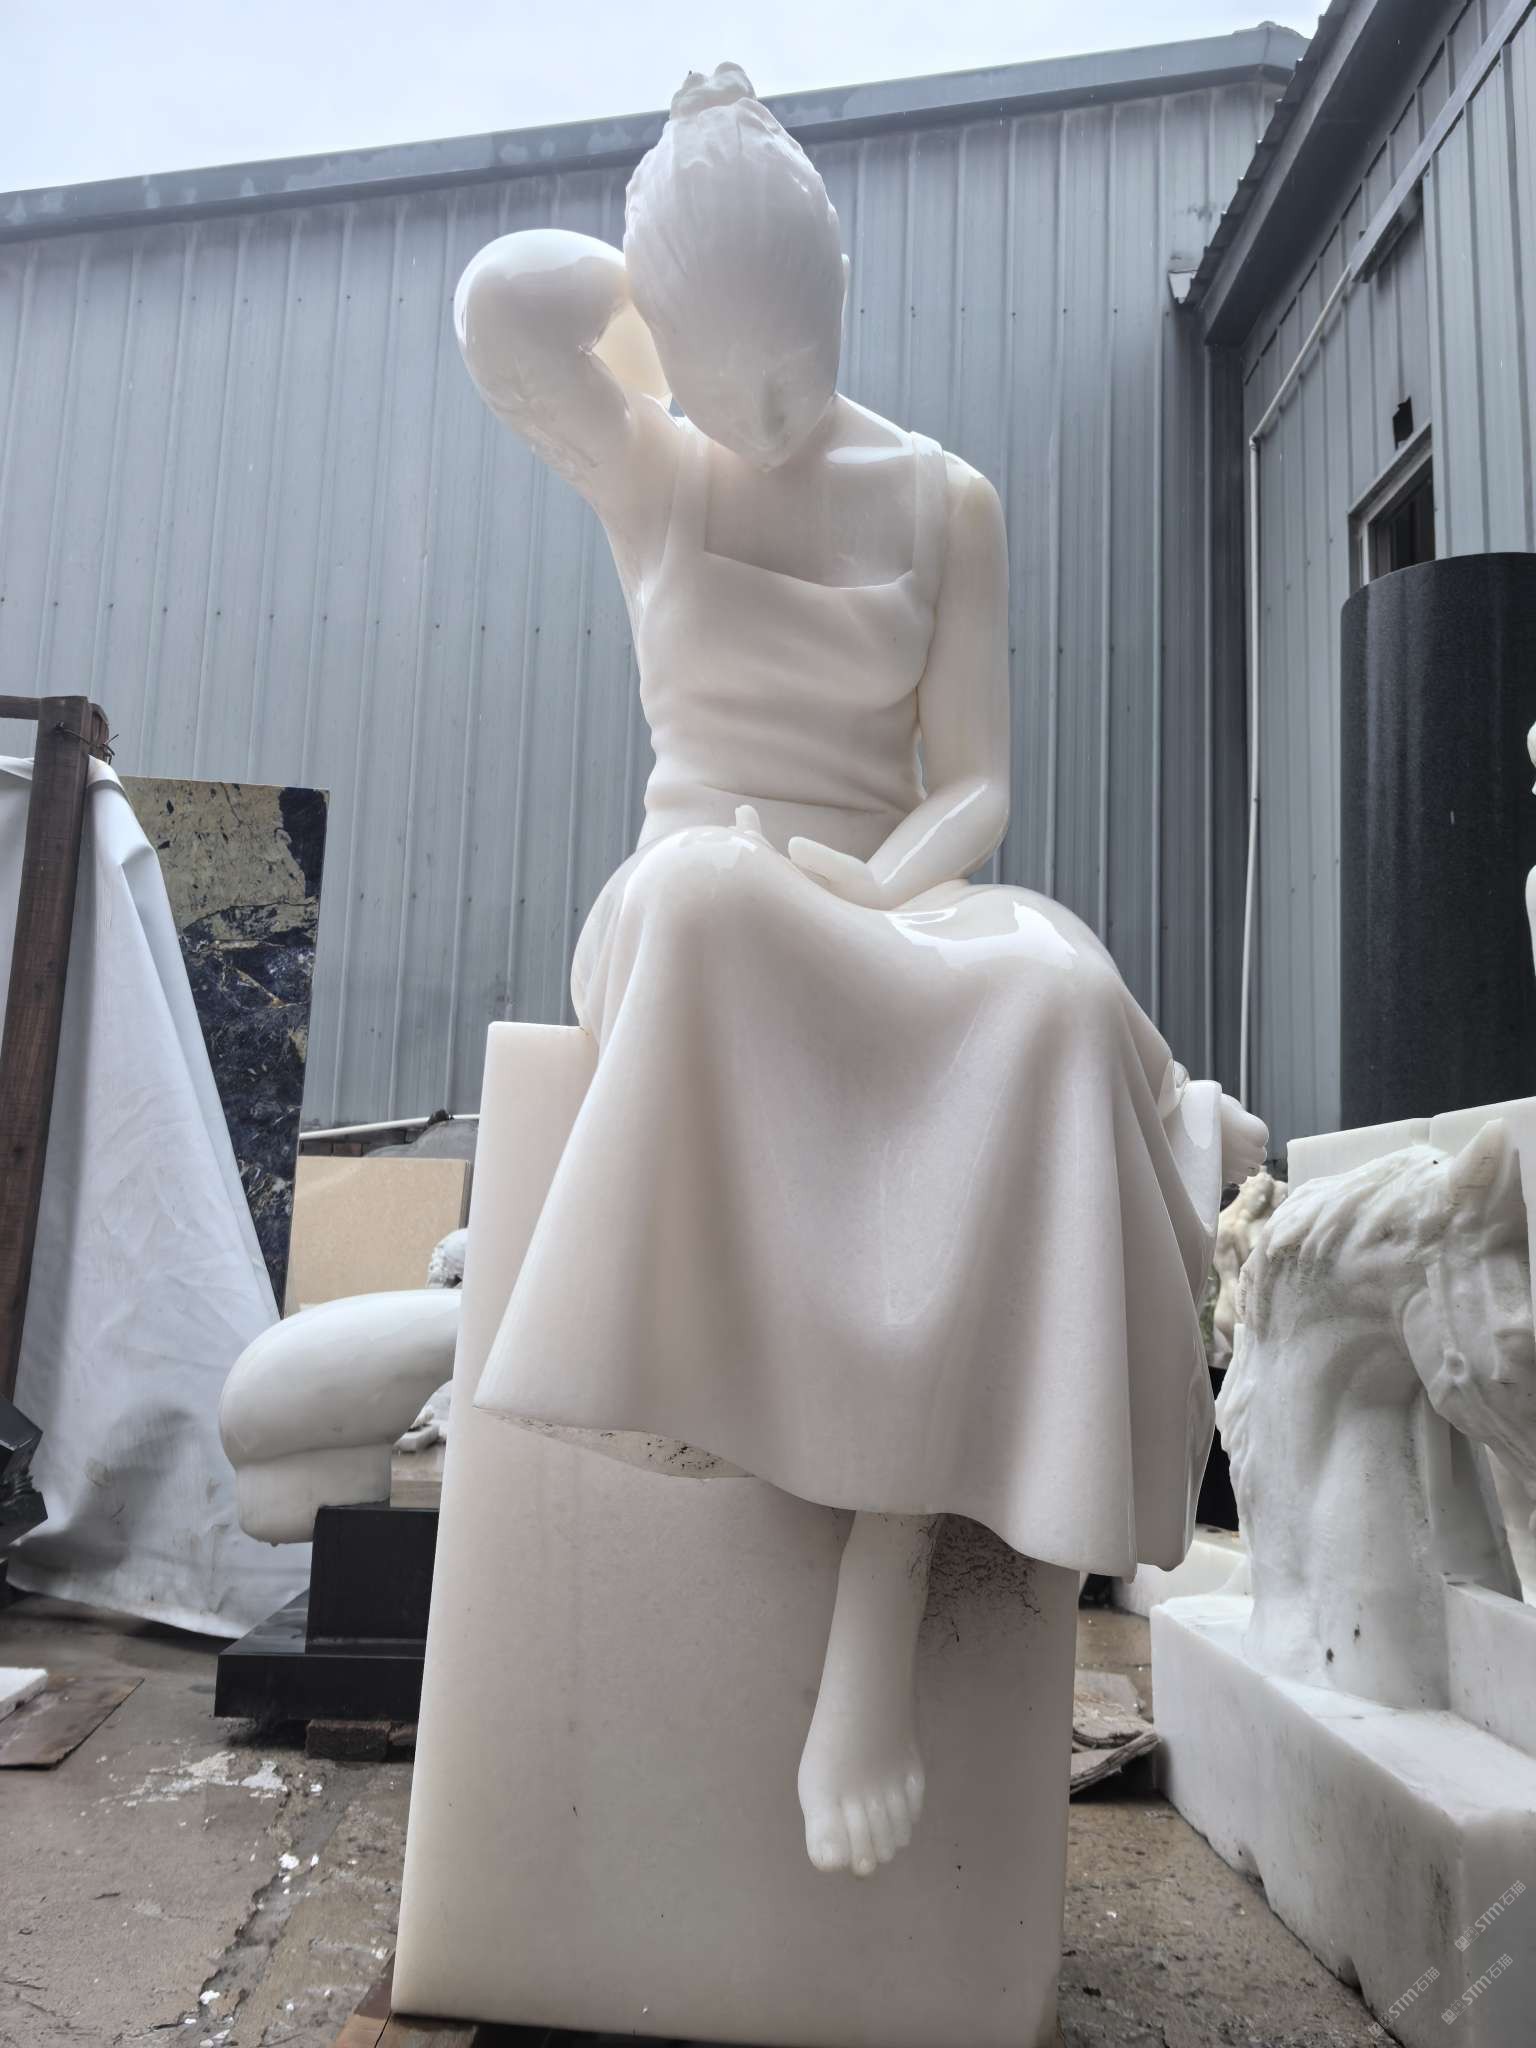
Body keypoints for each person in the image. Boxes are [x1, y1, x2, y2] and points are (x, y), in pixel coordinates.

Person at [458, 64, 1267, 1878]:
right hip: (708, 876)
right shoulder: (653, 465)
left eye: (799, 358)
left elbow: (974, 780)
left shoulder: (941, 496)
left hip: (891, 886)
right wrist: (676, 286)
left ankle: (884, 1572)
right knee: (705, 907)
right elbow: (501, 309)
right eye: (721, 374)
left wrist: (880, 877)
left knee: (1055, 989)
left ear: (844, 300)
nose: (765, 412)